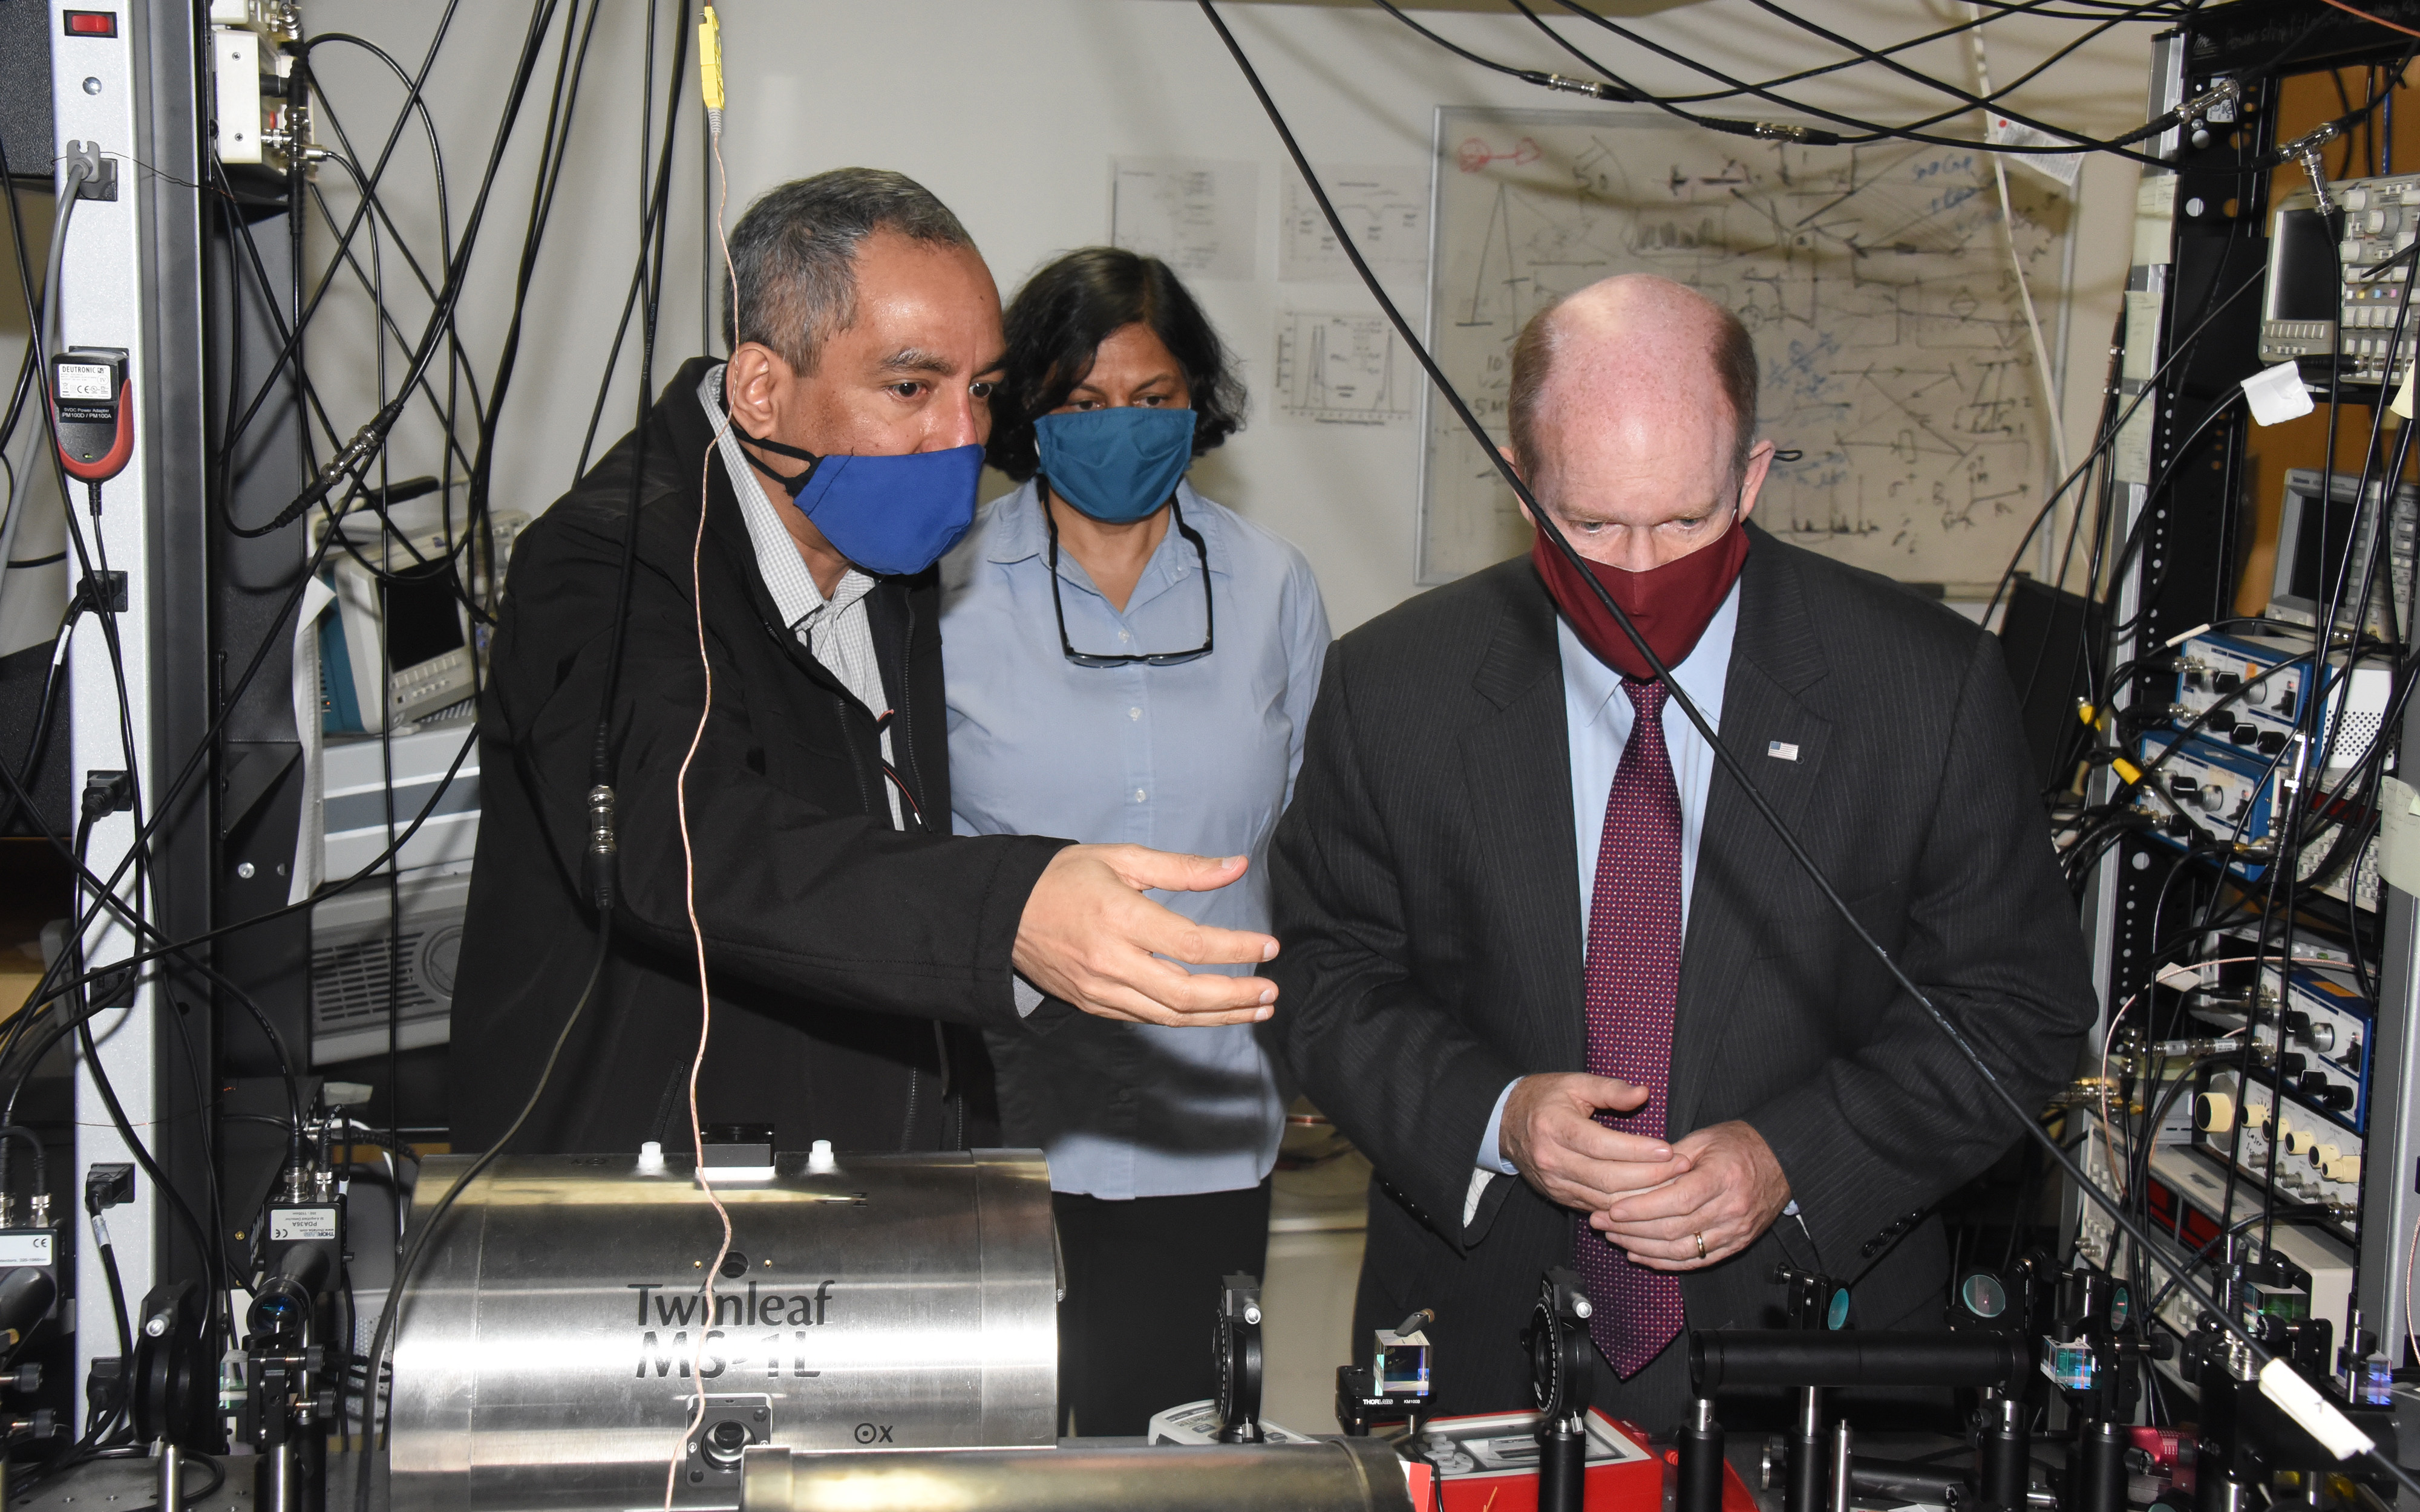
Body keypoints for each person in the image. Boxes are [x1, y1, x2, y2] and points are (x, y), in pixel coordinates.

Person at [1262, 273, 2095, 1426]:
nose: (1642, 568)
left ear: (1752, 475)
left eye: (1688, 521)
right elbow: (1323, 980)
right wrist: (1498, 1116)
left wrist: (1791, 1156)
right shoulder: (1392, 688)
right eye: (1592, 524)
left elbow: (2015, 1008)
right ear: (1521, 479)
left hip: (1816, 1353)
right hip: (1486, 1339)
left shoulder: (1924, 687)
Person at [448, 171, 1283, 1156]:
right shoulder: (606, 564)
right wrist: (1005, 909)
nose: (964, 439)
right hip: (655, 1209)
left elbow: (880, 850)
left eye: (981, 390)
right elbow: (691, 839)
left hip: (876, 1171)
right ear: (763, 388)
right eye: (910, 389)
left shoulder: (885, 550)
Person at [940, 247, 1330, 1435]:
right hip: (1001, 1126)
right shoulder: (942, 589)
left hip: (1201, 1131)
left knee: (1171, 1459)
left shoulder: (1270, 588)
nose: (1121, 429)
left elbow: (1311, 835)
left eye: (1153, 400)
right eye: (1081, 402)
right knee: (988, 1459)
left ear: (1196, 402)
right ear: (1024, 409)